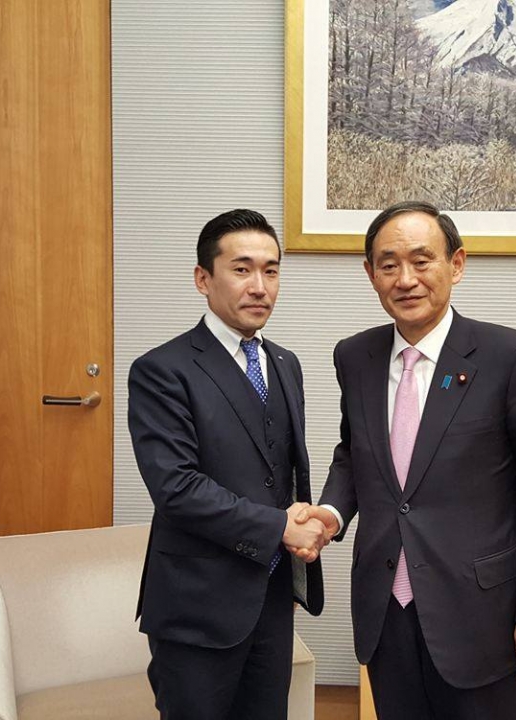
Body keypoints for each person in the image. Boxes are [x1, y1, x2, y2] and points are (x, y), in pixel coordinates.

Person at [299, 200, 516, 719]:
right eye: (389, 265)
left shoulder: (511, 357)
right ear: (370, 274)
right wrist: (331, 513)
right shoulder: (355, 356)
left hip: (480, 612)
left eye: (422, 261)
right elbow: (356, 453)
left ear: (456, 264)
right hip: (386, 605)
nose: (406, 279)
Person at [128, 209, 327, 720]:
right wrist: (280, 527)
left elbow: (279, 472)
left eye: (271, 270)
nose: (260, 286)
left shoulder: (284, 363)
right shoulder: (162, 370)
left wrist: (304, 522)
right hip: (197, 605)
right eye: (242, 269)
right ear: (203, 279)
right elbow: (177, 488)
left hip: (272, 597)